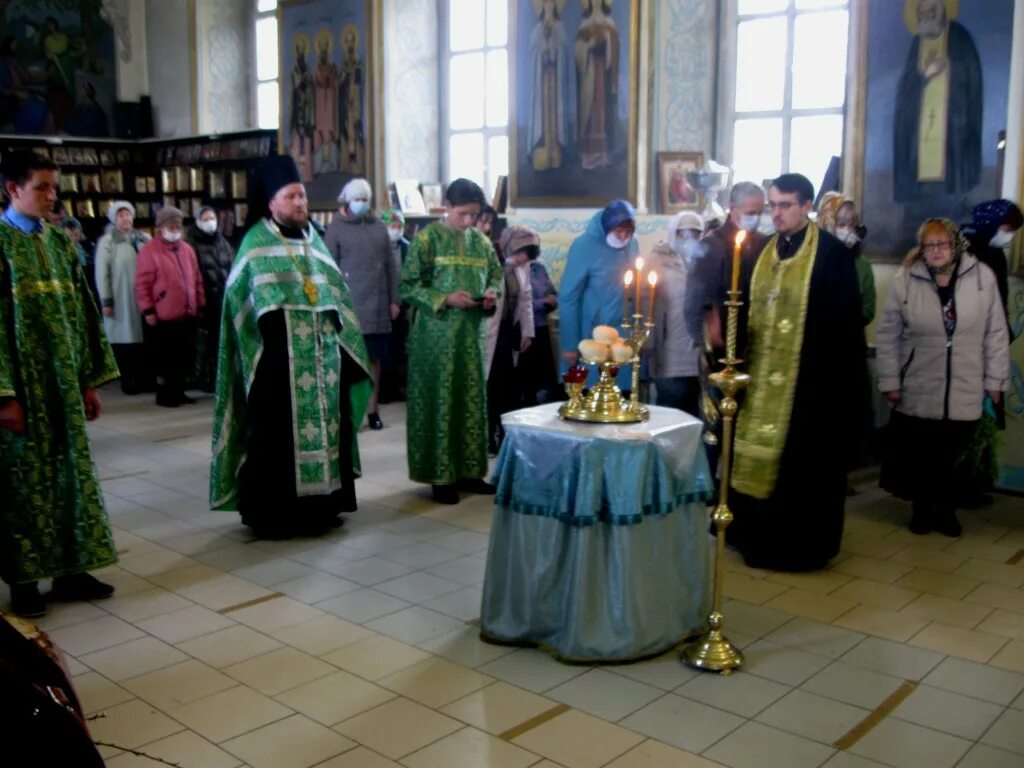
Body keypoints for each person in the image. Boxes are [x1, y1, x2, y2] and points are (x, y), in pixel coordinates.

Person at [210, 155, 372, 538]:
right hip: (275, 364)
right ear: (271, 202)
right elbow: (239, 303)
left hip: (322, 361)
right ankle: (276, 513)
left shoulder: (315, 240)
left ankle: (323, 506)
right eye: (291, 197)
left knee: (329, 431)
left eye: (302, 196)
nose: (300, 203)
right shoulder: (255, 242)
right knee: (277, 438)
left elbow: (337, 296)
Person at [0, 151, 119, 618]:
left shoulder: (61, 243)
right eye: (42, 187)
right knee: (23, 485)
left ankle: (71, 571)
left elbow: (85, 313)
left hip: (64, 386)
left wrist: (89, 380)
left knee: (71, 476)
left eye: (54, 188)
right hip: (22, 390)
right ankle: (25, 580)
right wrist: (3, 394)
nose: (52, 196)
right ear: (13, 189)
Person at [728, 173, 867, 571]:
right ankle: (754, 539)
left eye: (784, 205)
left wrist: (833, 387)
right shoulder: (762, 252)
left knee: (803, 469)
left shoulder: (830, 255)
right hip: (760, 384)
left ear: (806, 206)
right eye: (772, 205)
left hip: (810, 386)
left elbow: (844, 329)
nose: (776, 213)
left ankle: (802, 548)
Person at [877, 218, 1009, 536]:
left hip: (966, 381)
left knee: (954, 453)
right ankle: (922, 509)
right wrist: (890, 380)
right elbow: (889, 334)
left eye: (942, 244)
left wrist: (996, 382)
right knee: (921, 452)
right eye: (928, 245)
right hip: (920, 381)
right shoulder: (907, 278)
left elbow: (996, 334)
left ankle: (947, 509)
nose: (935, 251)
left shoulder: (982, 278)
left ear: (956, 244)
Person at [399, 178, 503, 505]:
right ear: (446, 206)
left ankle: (470, 472)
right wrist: (445, 298)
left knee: (471, 401)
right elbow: (409, 286)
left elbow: (495, 276)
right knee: (440, 401)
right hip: (434, 338)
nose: (469, 221)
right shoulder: (427, 239)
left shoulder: (481, 243)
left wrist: (490, 295)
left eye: (474, 215)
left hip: (470, 337)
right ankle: (440, 476)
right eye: (463, 214)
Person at [324, 178, 399, 430]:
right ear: (347, 201)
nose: (361, 204)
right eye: (357, 199)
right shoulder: (335, 229)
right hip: (350, 305)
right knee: (348, 361)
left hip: (377, 305)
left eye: (365, 199)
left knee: (374, 361)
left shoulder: (378, 227)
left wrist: (394, 299)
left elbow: (391, 266)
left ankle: (373, 410)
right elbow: (329, 270)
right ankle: (348, 412)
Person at [894, 0, 982, 201]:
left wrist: (949, 67)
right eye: (921, 14)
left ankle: (956, 198)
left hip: (953, 126)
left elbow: (972, 77)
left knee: (952, 179)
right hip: (921, 127)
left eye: (930, 13)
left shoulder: (960, 37)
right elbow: (906, 86)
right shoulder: (917, 43)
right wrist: (922, 74)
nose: (924, 18)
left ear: (942, 13)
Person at [559, 199, 638, 391]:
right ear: (607, 227)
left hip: (623, 333)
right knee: (591, 393)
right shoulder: (584, 246)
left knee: (623, 395)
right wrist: (570, 344)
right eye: (618, 231)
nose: (623, 237)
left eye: (628, 232)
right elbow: (568, 297)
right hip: (592, 333)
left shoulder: (632, 244)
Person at [684, 181, 766, 354]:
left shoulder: (764, 243)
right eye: (751, 213)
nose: (756, 219)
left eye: (760, 213)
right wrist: (705, 340)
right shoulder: (712, 246)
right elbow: (694, 302)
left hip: (757, 344)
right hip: (721, 347)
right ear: (732, 208)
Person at [135, 206, 205, 407]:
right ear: (160, 227)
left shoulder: (187, 249)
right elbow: (142, 284)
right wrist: (148, 310)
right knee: (166, 358)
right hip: (164, 314)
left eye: (178, 225)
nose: (175, 228)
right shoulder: (149, 251)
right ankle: (166, 394)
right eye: (171, 225)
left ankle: (180, 391)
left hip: (187, 313)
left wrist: (199, 304)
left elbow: (196, 279)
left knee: (184, 356)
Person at [485, 227, 536, 454]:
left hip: (508, 333)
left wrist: (527, 332)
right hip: (488, 333)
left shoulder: (522, 267)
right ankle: (487, 434)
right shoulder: (491, 263)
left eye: (527, 256)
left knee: (507, 387)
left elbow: (525, 299)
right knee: (489, 386)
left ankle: (505, 433)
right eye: (519, 254)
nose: (522, 260)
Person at [647, 211, 702, 415]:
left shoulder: (703, 261)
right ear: (673, 233)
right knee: (670, 410)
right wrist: (648, 341)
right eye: (683, 233)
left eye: (695, 234)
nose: (689, 239)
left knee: (695, 412)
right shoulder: (657, 259)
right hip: (669, 350)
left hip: (696, 352)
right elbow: (646, 303)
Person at [96, 200, 149, 394]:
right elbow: (102, 272)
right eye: (120, 215)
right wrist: (106, 300)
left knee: (141, 340)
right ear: (114, 219)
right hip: (120, 297)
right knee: (124, 340)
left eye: (128, 214)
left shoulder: (143, 238)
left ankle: (143, 378)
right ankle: (127, 380)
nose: (125, 218)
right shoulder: (108, 241)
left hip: (141, 297)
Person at [186, 206, 235, 392]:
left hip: (223, 298)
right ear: (198, 221)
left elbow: (230, 266)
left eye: (212, 218)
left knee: (221, 341)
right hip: (206, 299)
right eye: (205, 218)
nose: (210, 222)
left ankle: (219, 377)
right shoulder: (191, 243)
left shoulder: (222, 242)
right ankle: (205, 378)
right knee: (206, 343)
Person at [962, 199, 1022, 341]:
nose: (1010, 236)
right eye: (1008, 230)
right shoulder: (960, 247)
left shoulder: (996, 253)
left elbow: (1000, 295)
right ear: (992, 223)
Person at [817, 193, 876, 327]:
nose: (848, 230)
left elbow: (868, 311)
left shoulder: (863, 266)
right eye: (841, 224)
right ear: (827, 224)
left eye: (852, 224)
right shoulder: (812, 263)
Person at [575, 0, 619, 170]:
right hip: (589, 71)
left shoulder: (609, 22)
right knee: (590, 107)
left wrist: (606, 38)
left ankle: (603, 154)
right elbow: (578, 49)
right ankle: (588, 155)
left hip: (603, 71)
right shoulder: (585, 23)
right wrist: (588, 45)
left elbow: (614, 46)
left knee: (602, 108)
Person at [529, 0, 569, 171]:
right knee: (543, 114)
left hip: (555, 77)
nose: (549, 6)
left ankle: (555, 147)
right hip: (542, 79)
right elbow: (532, 54)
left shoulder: (559, 27)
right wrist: (541, 51)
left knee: (555, 113)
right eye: (546, 3)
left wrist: (554, 50)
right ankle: (543, 144)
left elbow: (565, 51)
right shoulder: (537, 29)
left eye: (552, 3)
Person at [519, 239, 559, 405]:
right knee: (525, 380)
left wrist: (551, 300)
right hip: (522, 331)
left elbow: (551, 292)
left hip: (541, 327)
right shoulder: (512, 270)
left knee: (544, 380)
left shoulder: (539, 269)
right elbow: (517, 302)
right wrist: (542, 302)